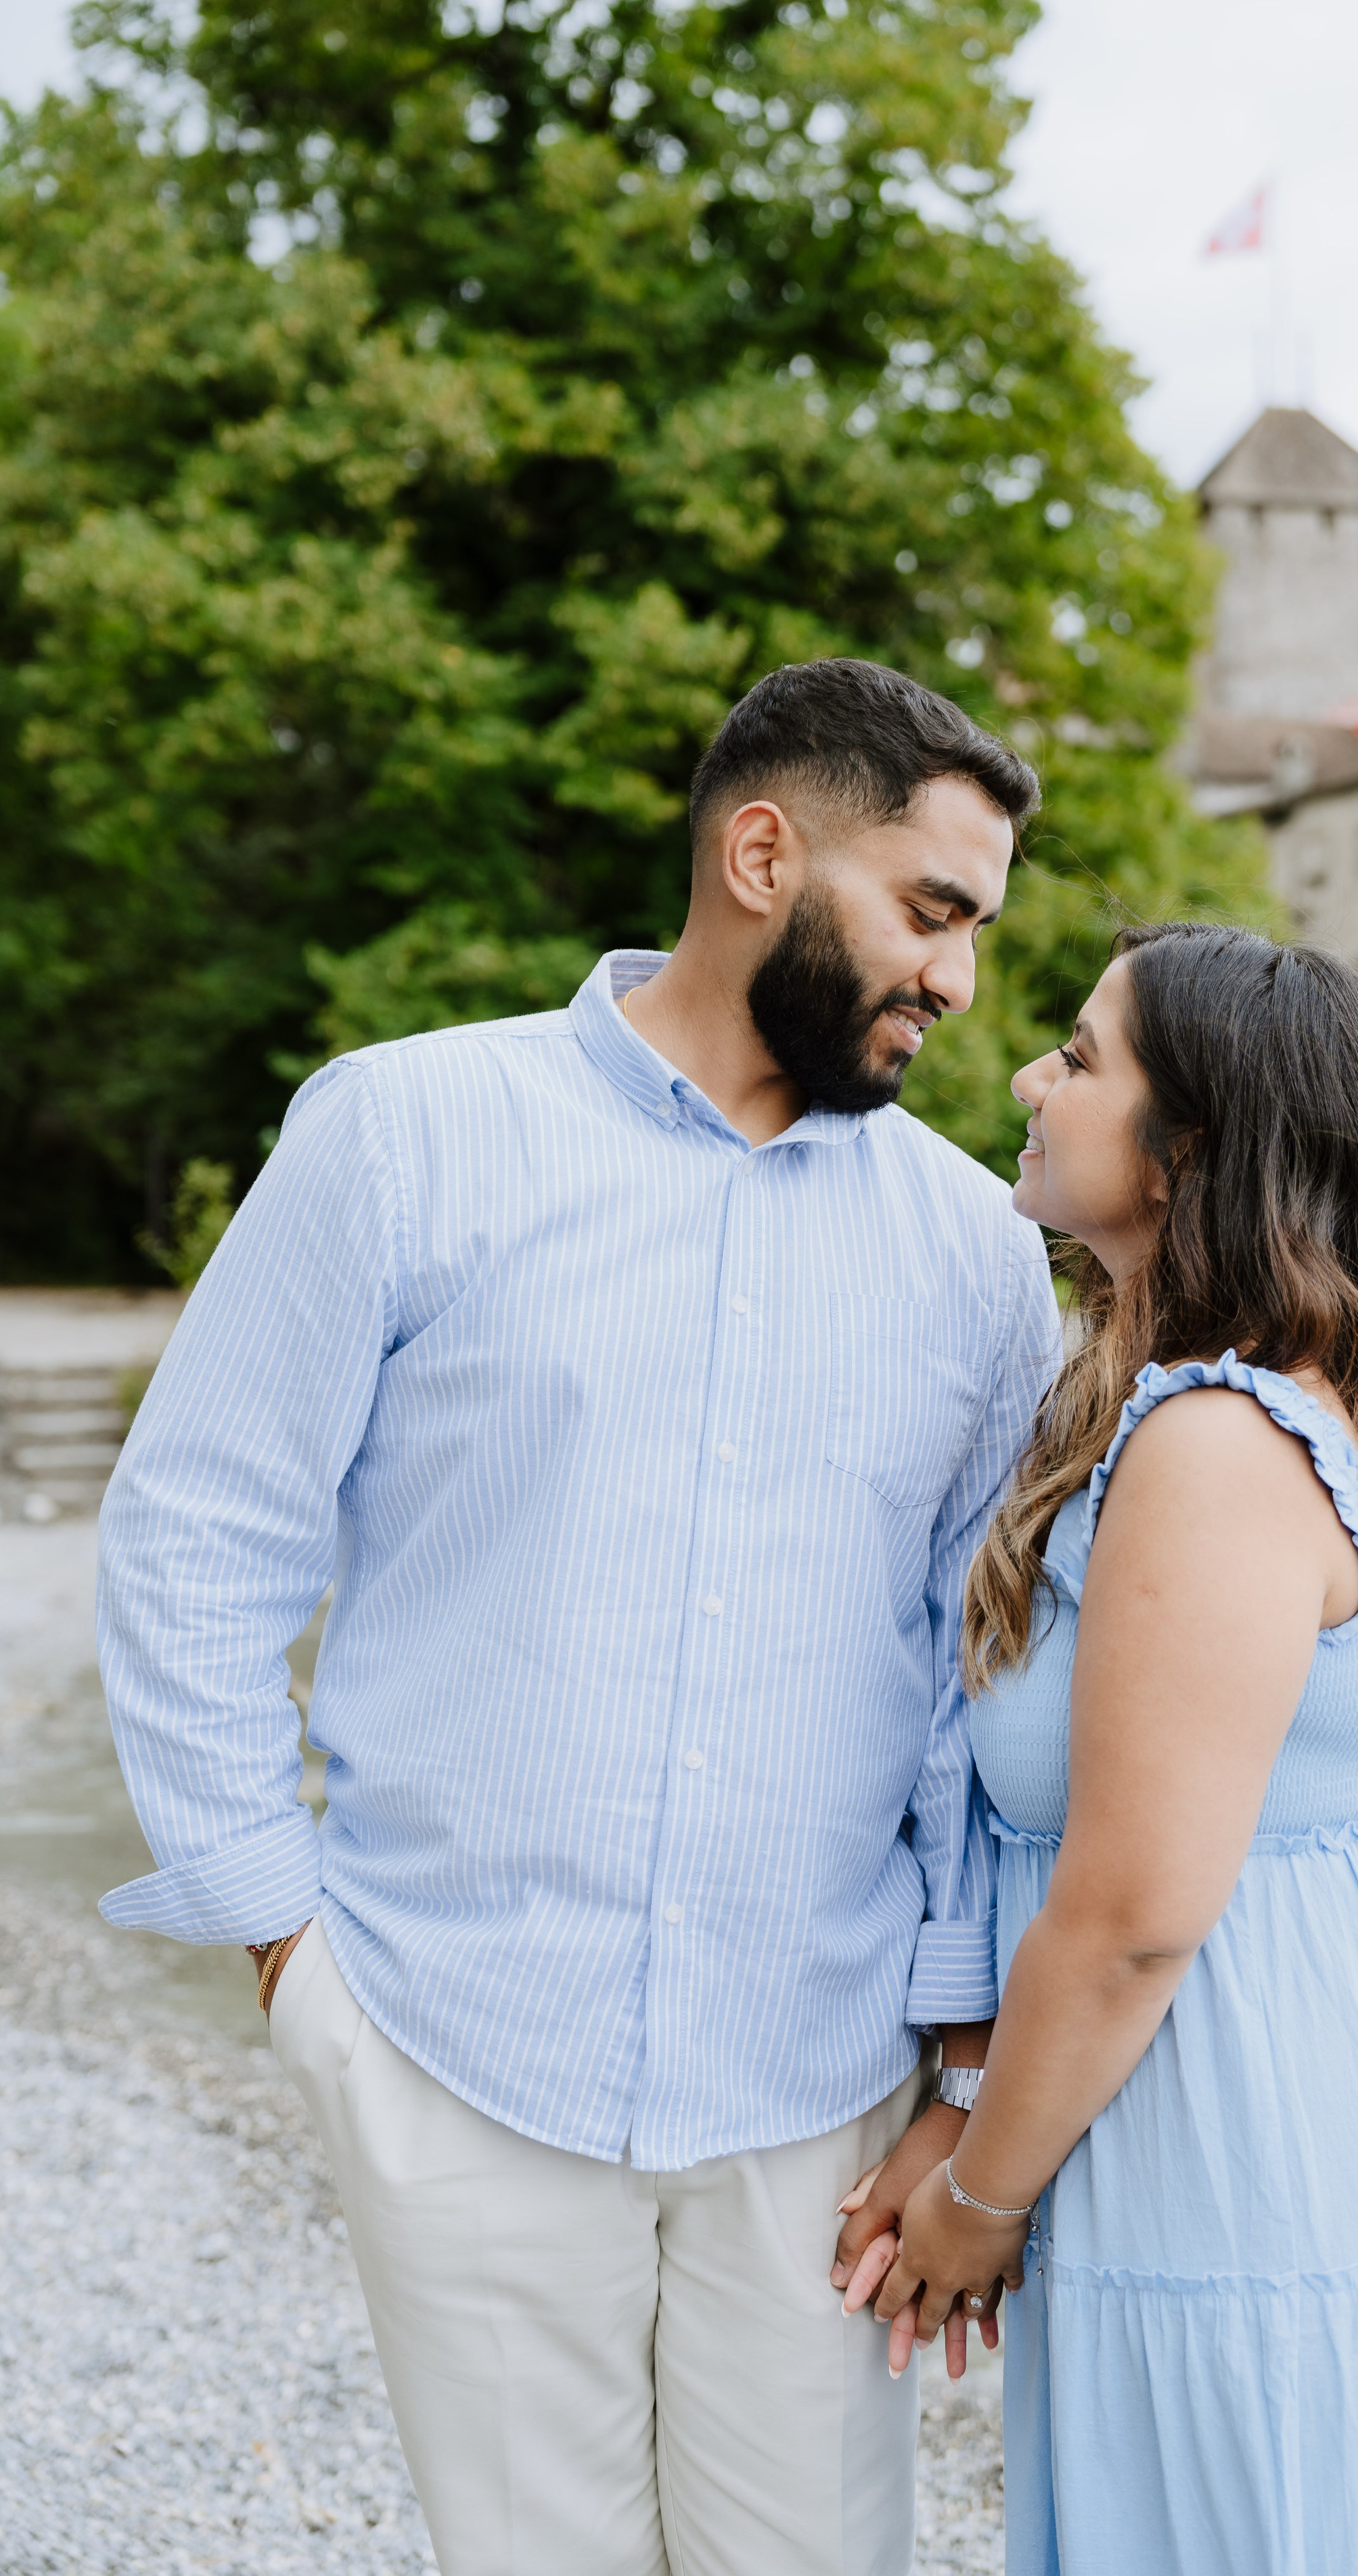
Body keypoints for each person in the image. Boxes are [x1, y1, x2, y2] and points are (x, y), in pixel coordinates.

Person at [95, 659, 1060, 2576]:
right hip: (453, 2039)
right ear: (762, 853)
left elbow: (976, 1685)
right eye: (931, 911)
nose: (958, 980)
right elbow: (198, 1533)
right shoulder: (401, 1135)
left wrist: (959, 2076)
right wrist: (289, 1958)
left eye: (976, 930)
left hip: (824, 2083)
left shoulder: (974, 1255)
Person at [874, 923, 1358, 2574]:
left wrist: (977, 2203)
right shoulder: (1202, 1409)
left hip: (1276, 2180)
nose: (1027, 1076)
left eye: (1079, 1057)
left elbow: (1134, 1906)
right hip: (1275, 2149)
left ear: (1188, 1157)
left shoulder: (1214, 1446)